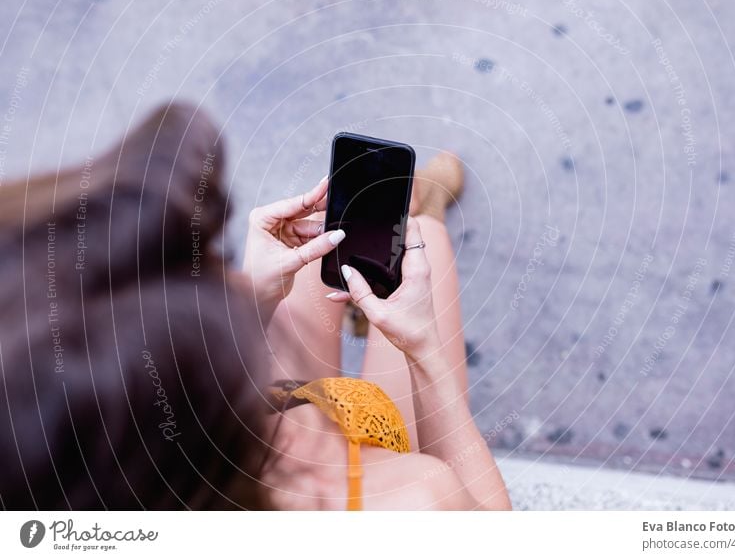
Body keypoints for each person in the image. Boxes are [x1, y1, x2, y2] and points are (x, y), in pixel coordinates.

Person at [0, 102, 510, 510]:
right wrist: (422, 350)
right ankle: (422, 210)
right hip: (364, 450)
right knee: (424, 244)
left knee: (317, 257)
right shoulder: (419, 501)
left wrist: (260, 297)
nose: (225, 284)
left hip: (270, 429)